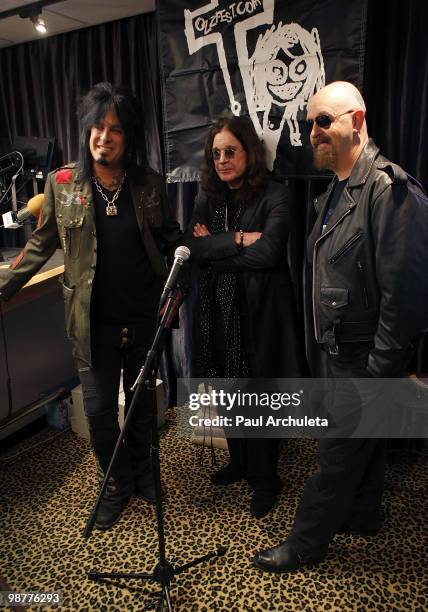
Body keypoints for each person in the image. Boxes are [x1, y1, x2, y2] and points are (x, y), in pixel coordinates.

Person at [254, 81, 428, 572]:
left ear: (358, 119)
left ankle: (306, 542)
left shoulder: (390, 190)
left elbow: (407, 298)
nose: (314, 132)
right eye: (311, 123)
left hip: (365, 358)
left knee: (333, 457)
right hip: (338, 351)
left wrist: (377, 376)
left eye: (324, 120)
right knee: (361, 447)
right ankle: (365, 513)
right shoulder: (336, 188)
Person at [0, 83, 183, 530]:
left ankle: (143, 475)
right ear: (87, 132)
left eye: (115, 129)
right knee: (101, 415)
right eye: (98, 128)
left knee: (141, 408)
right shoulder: (62, 185)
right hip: (91, 325)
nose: (105, 137)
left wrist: (177, 293)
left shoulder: (149, 185)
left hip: (143, 319)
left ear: (128, 136)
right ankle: (116, 484)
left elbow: (171, 241)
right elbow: (38, 247)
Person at [186, 116, 304, 518]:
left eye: (229, 151)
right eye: (215, 153)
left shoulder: (276, 195)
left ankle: (265, 478)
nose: (222, 160)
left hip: (261, 318)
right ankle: (239, 462)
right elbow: (193, 251)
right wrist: (236, 241)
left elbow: (269, 255)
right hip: (217, 316)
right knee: (226, 392)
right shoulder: (207, 199)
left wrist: (215, 253)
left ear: (248, 152)